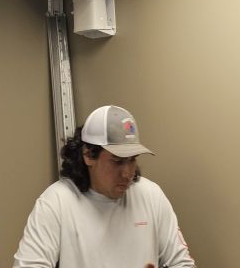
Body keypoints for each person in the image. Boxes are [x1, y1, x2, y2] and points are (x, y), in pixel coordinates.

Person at [13, 104, 196, 268]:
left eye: (132, 160)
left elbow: (182, 263)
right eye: (117, 161)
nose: (127, 173)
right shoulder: (56, 203)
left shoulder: (151, 195)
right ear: (88, 156)